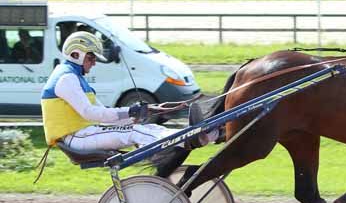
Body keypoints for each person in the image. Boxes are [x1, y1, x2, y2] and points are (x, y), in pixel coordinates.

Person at [40, 31, 215, 153]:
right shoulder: (66, 79)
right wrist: (129, 111)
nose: (94, 63)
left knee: (148, 128)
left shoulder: (75, 78)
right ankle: (189, 138)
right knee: (136, 133)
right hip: (76, 138)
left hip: (83, 134)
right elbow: (91, 113)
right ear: (76, 54)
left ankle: (209, 134)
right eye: (91, 57)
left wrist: (136, 113)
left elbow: (103, 113)